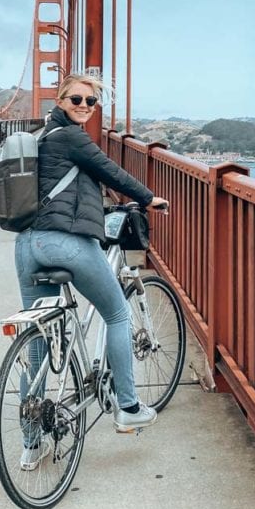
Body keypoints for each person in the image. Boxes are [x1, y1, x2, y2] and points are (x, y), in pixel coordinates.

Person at [14, 73, 169, 469]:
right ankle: (128, 407)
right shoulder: (73, 138)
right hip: (65, 242)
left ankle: (31, 446)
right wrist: (149, 199)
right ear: (61, 99)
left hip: (28, 244)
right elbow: (110, 171)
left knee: (37, 345)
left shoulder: (42, 135)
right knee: (116, 312)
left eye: (92, 102)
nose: (84, 106)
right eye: (77, 99)